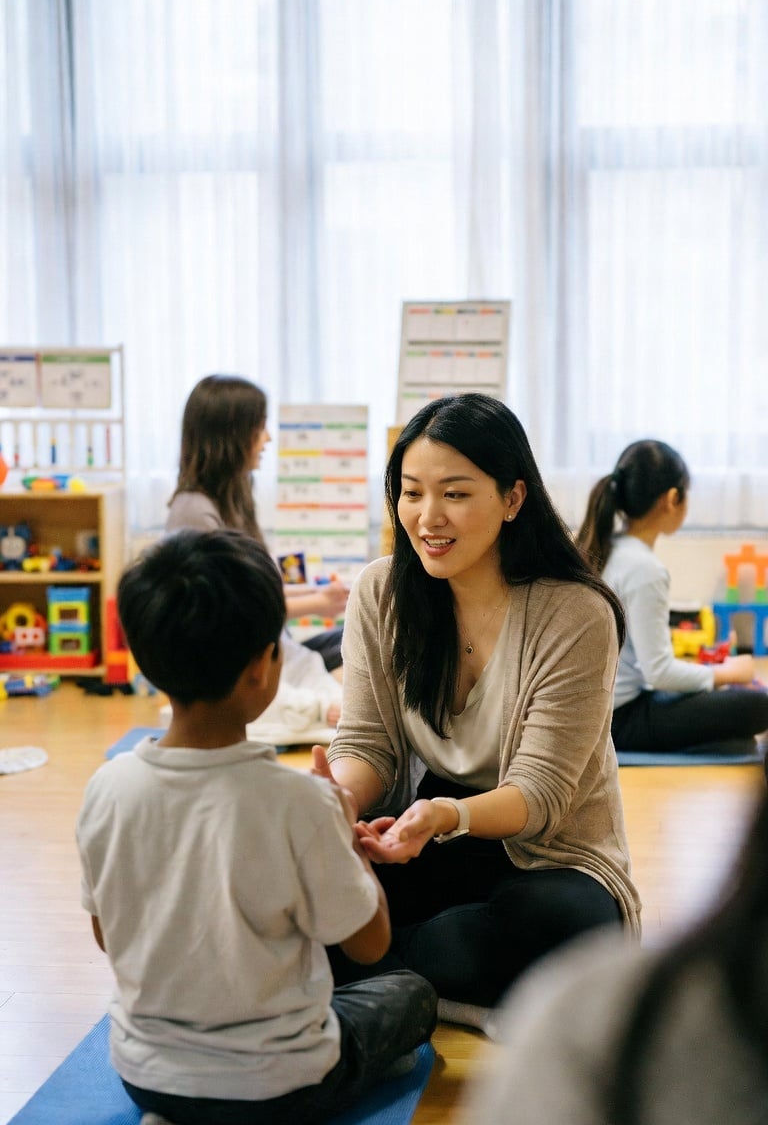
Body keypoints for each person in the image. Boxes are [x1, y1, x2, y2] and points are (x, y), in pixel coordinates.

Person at [76, 528, 436, 1125]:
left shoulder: (106, 788)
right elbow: (368, 943)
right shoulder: (301, 801)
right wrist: (349, 846)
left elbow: (107, 938)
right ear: (261, 668)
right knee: (410, 996)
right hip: (280, 1085)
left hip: (148, 1078)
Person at [312, 392, 641, 1028]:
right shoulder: (381, 592)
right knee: (293, 895)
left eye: (455, 494)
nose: (428, 516)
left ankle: (375, 970)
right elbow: (367, 744)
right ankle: (408, 974)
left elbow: (540, 796)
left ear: (513, 499)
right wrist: (336, 803)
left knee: (557, 933)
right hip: (420, 833)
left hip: (546, 853)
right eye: (411, 492)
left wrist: (444, 816)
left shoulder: (575, 613)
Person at [460, 762, 768, 1125]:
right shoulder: (599, 1016)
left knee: (572, 922)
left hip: (531, 853)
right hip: (450, 845)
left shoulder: (592, 1009)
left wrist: (446, 815)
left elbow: (540, 794)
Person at [166, 373, 348, 735]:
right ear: (231, 435)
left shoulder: (231, 501)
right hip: (233, 660)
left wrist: (322, 597)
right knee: (346, 665)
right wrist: (316, 603)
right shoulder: (195, 513)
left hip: (270, 646)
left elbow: (258, 586)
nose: (267, 439)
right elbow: (235, 609)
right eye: (260, 428)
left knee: (355, 641)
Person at [577, 439, 768, 752]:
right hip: (619, 722)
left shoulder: (610, 547)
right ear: (672, 498)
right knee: (759, 705)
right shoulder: (643, 568)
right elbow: (660, 672)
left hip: (603, 714)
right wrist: (727, 672)